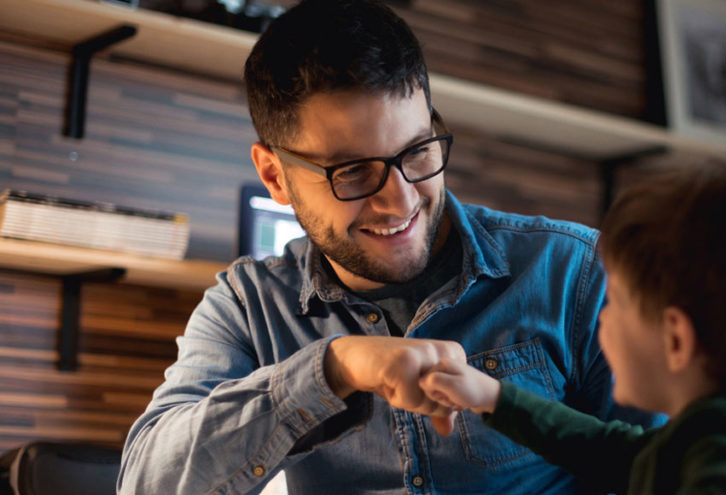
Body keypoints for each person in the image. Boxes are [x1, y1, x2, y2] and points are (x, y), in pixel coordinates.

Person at [116, 0, 658, 493]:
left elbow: (677, 475)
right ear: (274, 176)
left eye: (417, 151)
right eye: (352, 173)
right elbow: (145, 484)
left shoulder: (577, 273)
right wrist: (330, 370)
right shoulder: (247, 307)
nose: (398, 201)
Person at [418, 156, 726, 494]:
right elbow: (605, 449)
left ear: (675, 339)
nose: (602, 316)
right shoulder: (718, 430)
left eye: (618, 303)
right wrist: (493, 397)